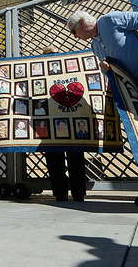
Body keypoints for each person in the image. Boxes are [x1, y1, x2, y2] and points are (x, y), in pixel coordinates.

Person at [66, 10, 138, 207]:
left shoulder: (110, 20)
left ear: (83, 23)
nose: (75, 37)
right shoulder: (95, 46)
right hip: (133, 89)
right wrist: (107, 70)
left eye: (74, 32)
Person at [41, 46, 87, 202]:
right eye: (51, 54)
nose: (55, 57)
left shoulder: (69, 71)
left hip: (71, 118)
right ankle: (60, 192)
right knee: (54, 159)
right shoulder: (40, 74)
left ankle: (78, 193)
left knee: (76, 156)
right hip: (49, 121)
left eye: (57, 54)